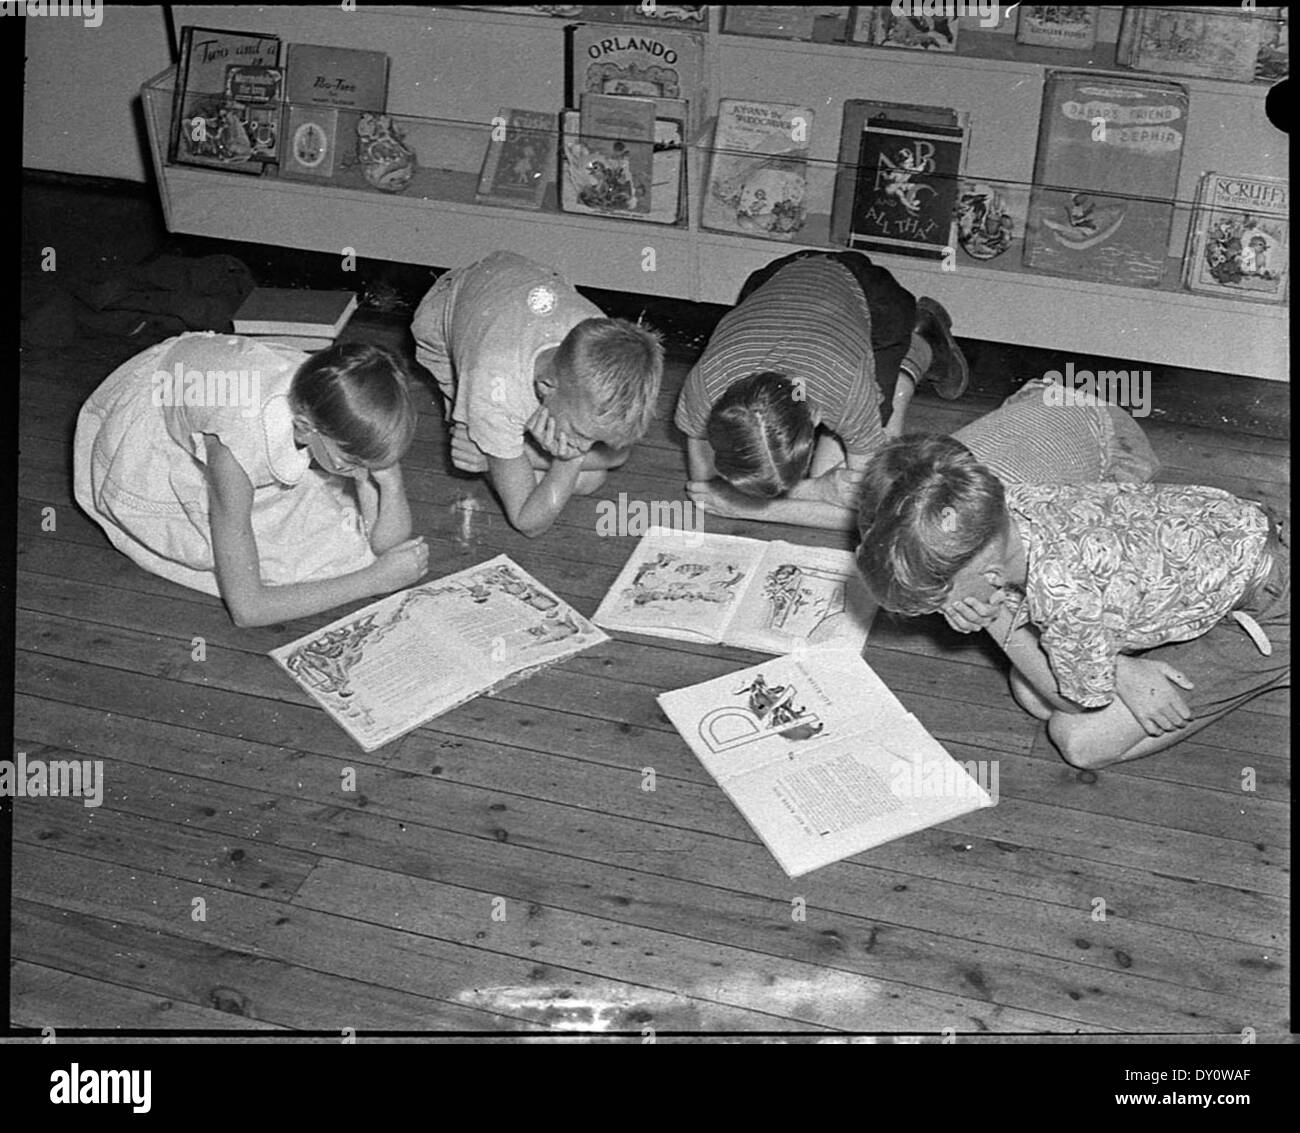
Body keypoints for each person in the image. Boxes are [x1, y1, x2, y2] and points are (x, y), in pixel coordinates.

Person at [855, 435, 1289, 769]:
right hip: (1228, 539)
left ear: (987, 575)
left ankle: (1277, 670)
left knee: (1079, 740)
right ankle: (1119, 656)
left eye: (941, 601)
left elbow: (1075, 702)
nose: (942, 613)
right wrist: (1119, 667)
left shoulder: (1063, 595)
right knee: (1030, 692)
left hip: (1271, 605)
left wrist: (993, 619)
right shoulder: (1005, 504)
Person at [74, 332, 427, 628]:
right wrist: (371, 582)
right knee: (279, 564)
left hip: (212, 378)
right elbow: (248, 609)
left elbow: (386, 545)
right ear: (306, 428)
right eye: (352, 461)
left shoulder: (329, 396)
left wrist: (389, 482)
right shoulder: (234, 453)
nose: (362, 469)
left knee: (337, 546)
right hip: (155, 408)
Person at [677, 250, 968, 529]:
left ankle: (920, 341)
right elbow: (705, 488)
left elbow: (875, 506)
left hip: (872, 297)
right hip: (778, 279)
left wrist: (746, 507)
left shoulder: (844, 389)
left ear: (816, 416)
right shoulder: (705, 386)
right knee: (831, 480)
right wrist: (817, 490)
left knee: (864, 454)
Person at [410, 251, 664, 538]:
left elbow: (618, 455)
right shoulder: (494, 388)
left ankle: (504, 454)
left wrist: (531, 456)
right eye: (581, 434)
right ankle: (497, 451)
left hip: (518, 284)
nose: (585, 446)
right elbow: (529, 522)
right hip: (446, 313)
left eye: (595, 439)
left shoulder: (599, 341)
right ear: (546, 386)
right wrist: (569, 460)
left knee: (589, 478)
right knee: (473, 447)